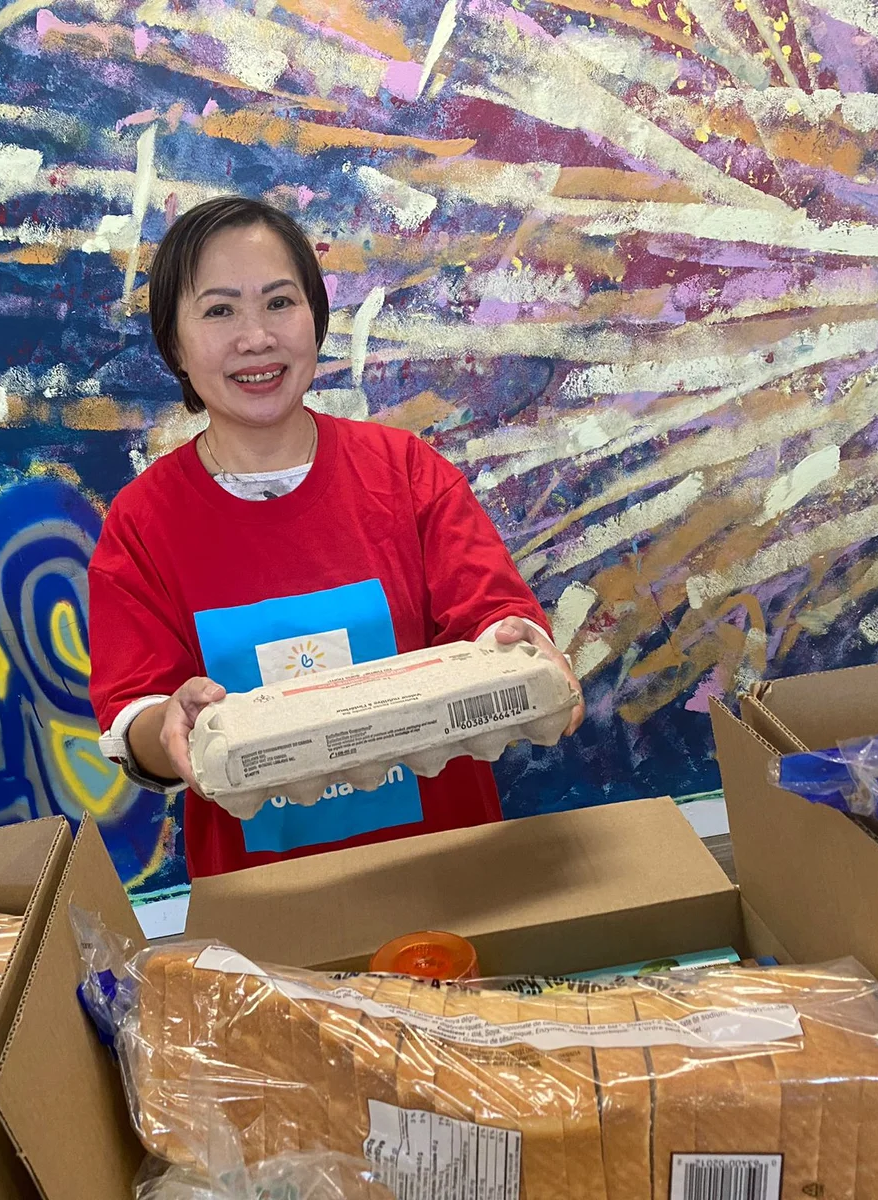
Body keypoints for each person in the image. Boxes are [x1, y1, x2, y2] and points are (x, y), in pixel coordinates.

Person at [90, 196, 583, 879]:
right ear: (174, 343)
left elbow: (490, 613)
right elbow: (135, 718)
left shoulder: (406, 473)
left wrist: (512, 642)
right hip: (267, 900)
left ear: (315, 318)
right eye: (219, 310)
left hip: (450, 875)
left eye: (279, 303)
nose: (256, 337)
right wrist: (168, 722)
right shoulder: (143, 524)